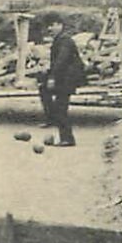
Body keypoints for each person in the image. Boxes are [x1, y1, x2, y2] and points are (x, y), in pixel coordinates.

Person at [39, 15, 88, 147]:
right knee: (43, 90)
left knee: (61, 107)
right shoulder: (59, 39)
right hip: (64, 77)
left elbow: (61, 61)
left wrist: (52, 77)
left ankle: (67, 139)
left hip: (67, 78)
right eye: (48, 26)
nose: (50, 28)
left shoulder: (65, 40)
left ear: (60, 25)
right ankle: (52, 119)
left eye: (52, 25)